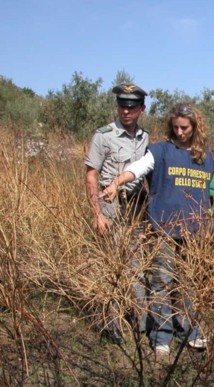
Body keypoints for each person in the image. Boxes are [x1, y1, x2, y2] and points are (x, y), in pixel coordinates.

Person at [100, 103, 214, 356]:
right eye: (175, 127)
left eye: (184, 127)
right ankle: (161, 334)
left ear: (195, 128)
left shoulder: (205, 158)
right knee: (161, 282)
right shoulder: (161, 151)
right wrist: (116, 183)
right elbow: (137, 169)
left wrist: (206, 225)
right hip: (162, 228)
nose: (179, 132)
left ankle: (189, 331)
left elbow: (205, 195)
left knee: (188, 283)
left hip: (193, 232)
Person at [84, 82, 149, 344]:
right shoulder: (104, 135)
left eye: (132, 107)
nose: (126, 111)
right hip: (110, 204)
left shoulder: (145, 137)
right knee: (112, 263)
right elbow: (91, 175)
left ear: (141, 109)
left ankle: (140, 321)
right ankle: (111, 321)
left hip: (135, 205)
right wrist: (97, 213)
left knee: (137, 263)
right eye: (122, 105)